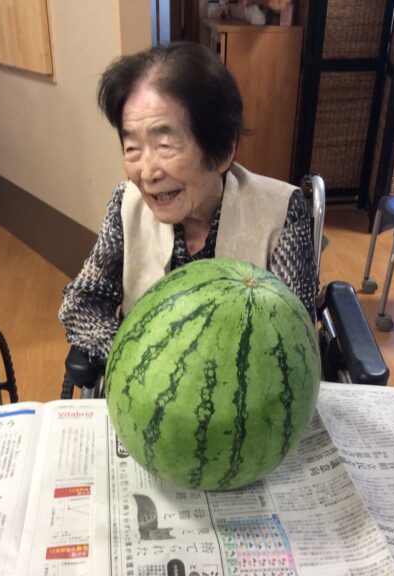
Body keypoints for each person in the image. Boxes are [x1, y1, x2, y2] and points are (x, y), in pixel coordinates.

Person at [59, 42, 316, 374]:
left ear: (222, 151)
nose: (147, 173)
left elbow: (293, 340)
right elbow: (81, 301)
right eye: (132, 147)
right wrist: (138, 360)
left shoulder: (281, 212)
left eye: (165, 145)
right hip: (145, 382)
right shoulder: (127, 204)